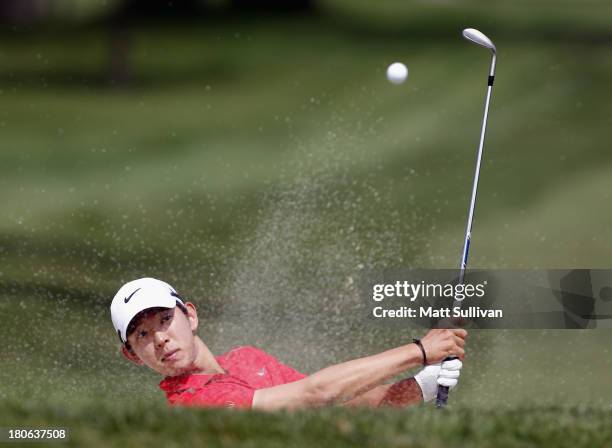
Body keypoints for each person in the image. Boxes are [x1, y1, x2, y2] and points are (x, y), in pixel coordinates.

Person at [111, 277, 466, 410]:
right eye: (141, 334)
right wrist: (419, 351)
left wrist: (422, 386)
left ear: (190, 316)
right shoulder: (192, 404)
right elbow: (316, 393)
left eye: (165, 319)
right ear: (133, 356)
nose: (159, 338)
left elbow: (339, 405)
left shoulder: (247, 359)